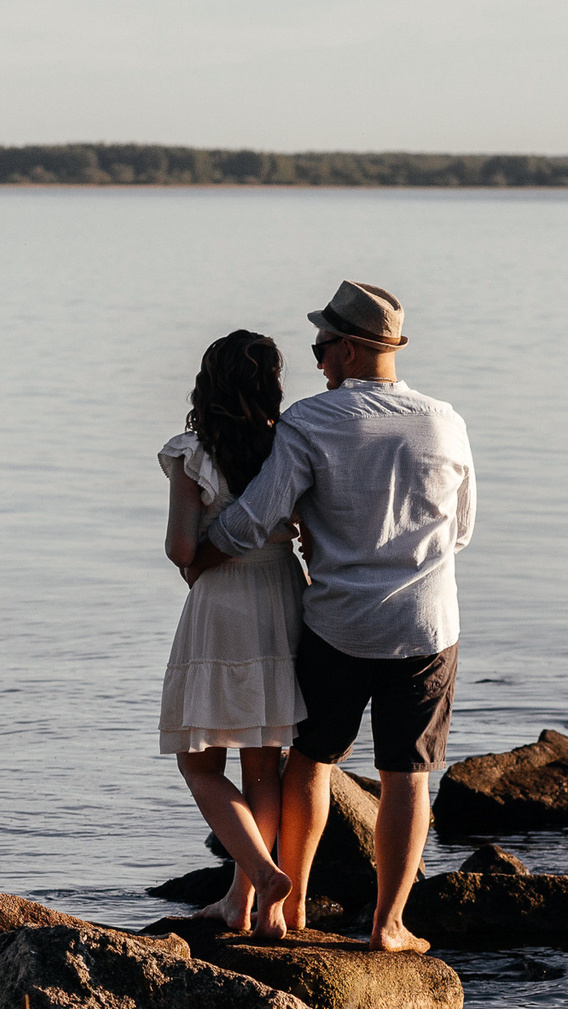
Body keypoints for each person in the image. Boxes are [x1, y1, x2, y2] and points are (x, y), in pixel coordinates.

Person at [197, 281, 473, 954]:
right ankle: (389, 926)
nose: (318, 361)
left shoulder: (312, 422)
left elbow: (257, 517)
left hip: (337, 625)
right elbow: (461, 530)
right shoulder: (446, 421)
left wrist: (200, 549)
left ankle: (283, 913)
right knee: (407, 773)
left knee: (312, 760)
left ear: (349, 349)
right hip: (426, 625)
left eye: (322, 347)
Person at [157, 329, 308, 938]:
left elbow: (182, 547)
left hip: (223, 602)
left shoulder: (194, 452)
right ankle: (247, 905)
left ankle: (263, 877)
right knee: (263, 762)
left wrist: (195, 564)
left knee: (199, 760)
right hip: (284, 594)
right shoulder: (286, 446)